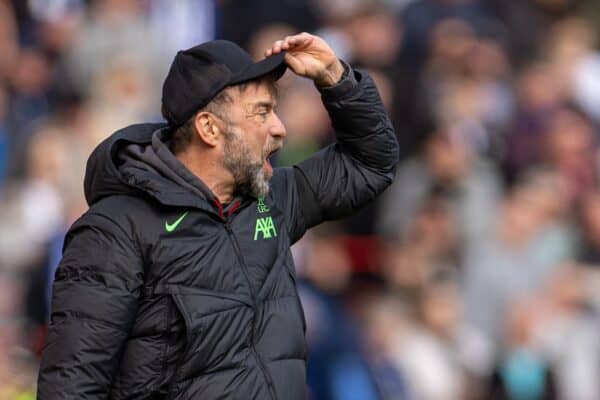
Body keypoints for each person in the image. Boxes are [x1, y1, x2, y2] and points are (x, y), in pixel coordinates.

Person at [37, 32, 399, 399]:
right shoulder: (116, 230)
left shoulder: (271, 201)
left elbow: (371, 163)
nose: (280, 128)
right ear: (209, 128)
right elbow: (72, 385)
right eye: (262, 111)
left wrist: (335, 77)